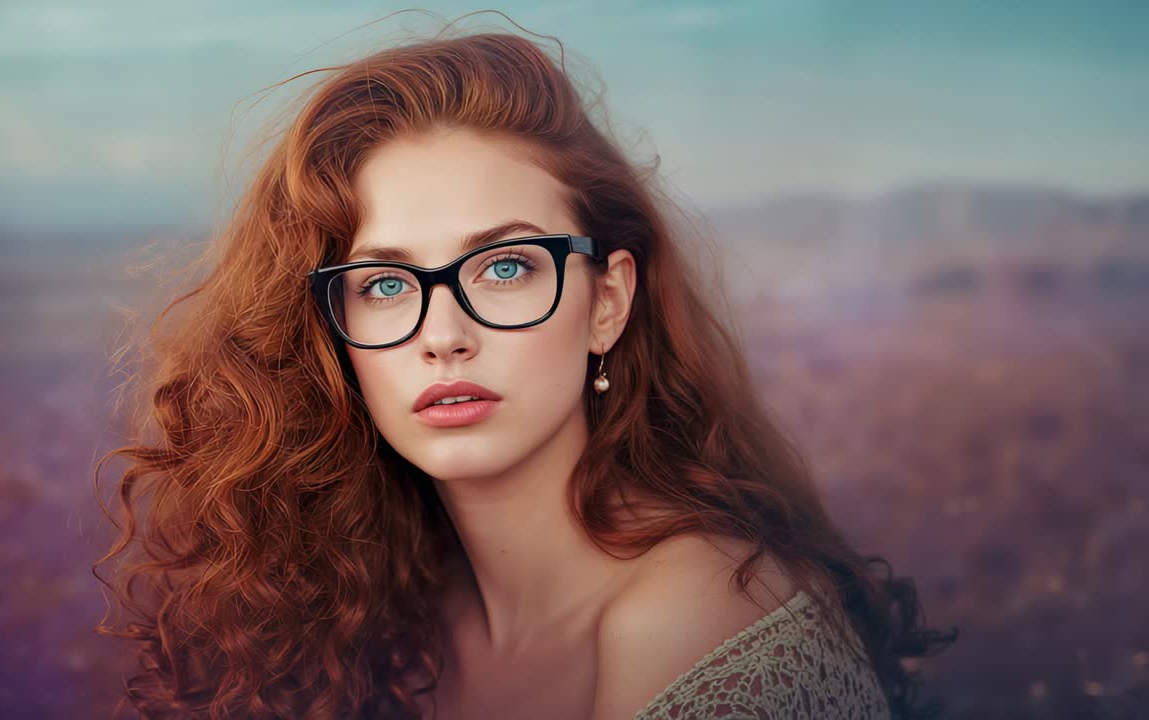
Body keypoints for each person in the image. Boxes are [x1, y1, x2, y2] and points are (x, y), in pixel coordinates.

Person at [93, 18, 957, 720]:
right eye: (386, 284)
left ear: (607, 302)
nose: (443, 335)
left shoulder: (705, 617)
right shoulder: (385, 614)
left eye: (506, 267)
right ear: (333, 333)